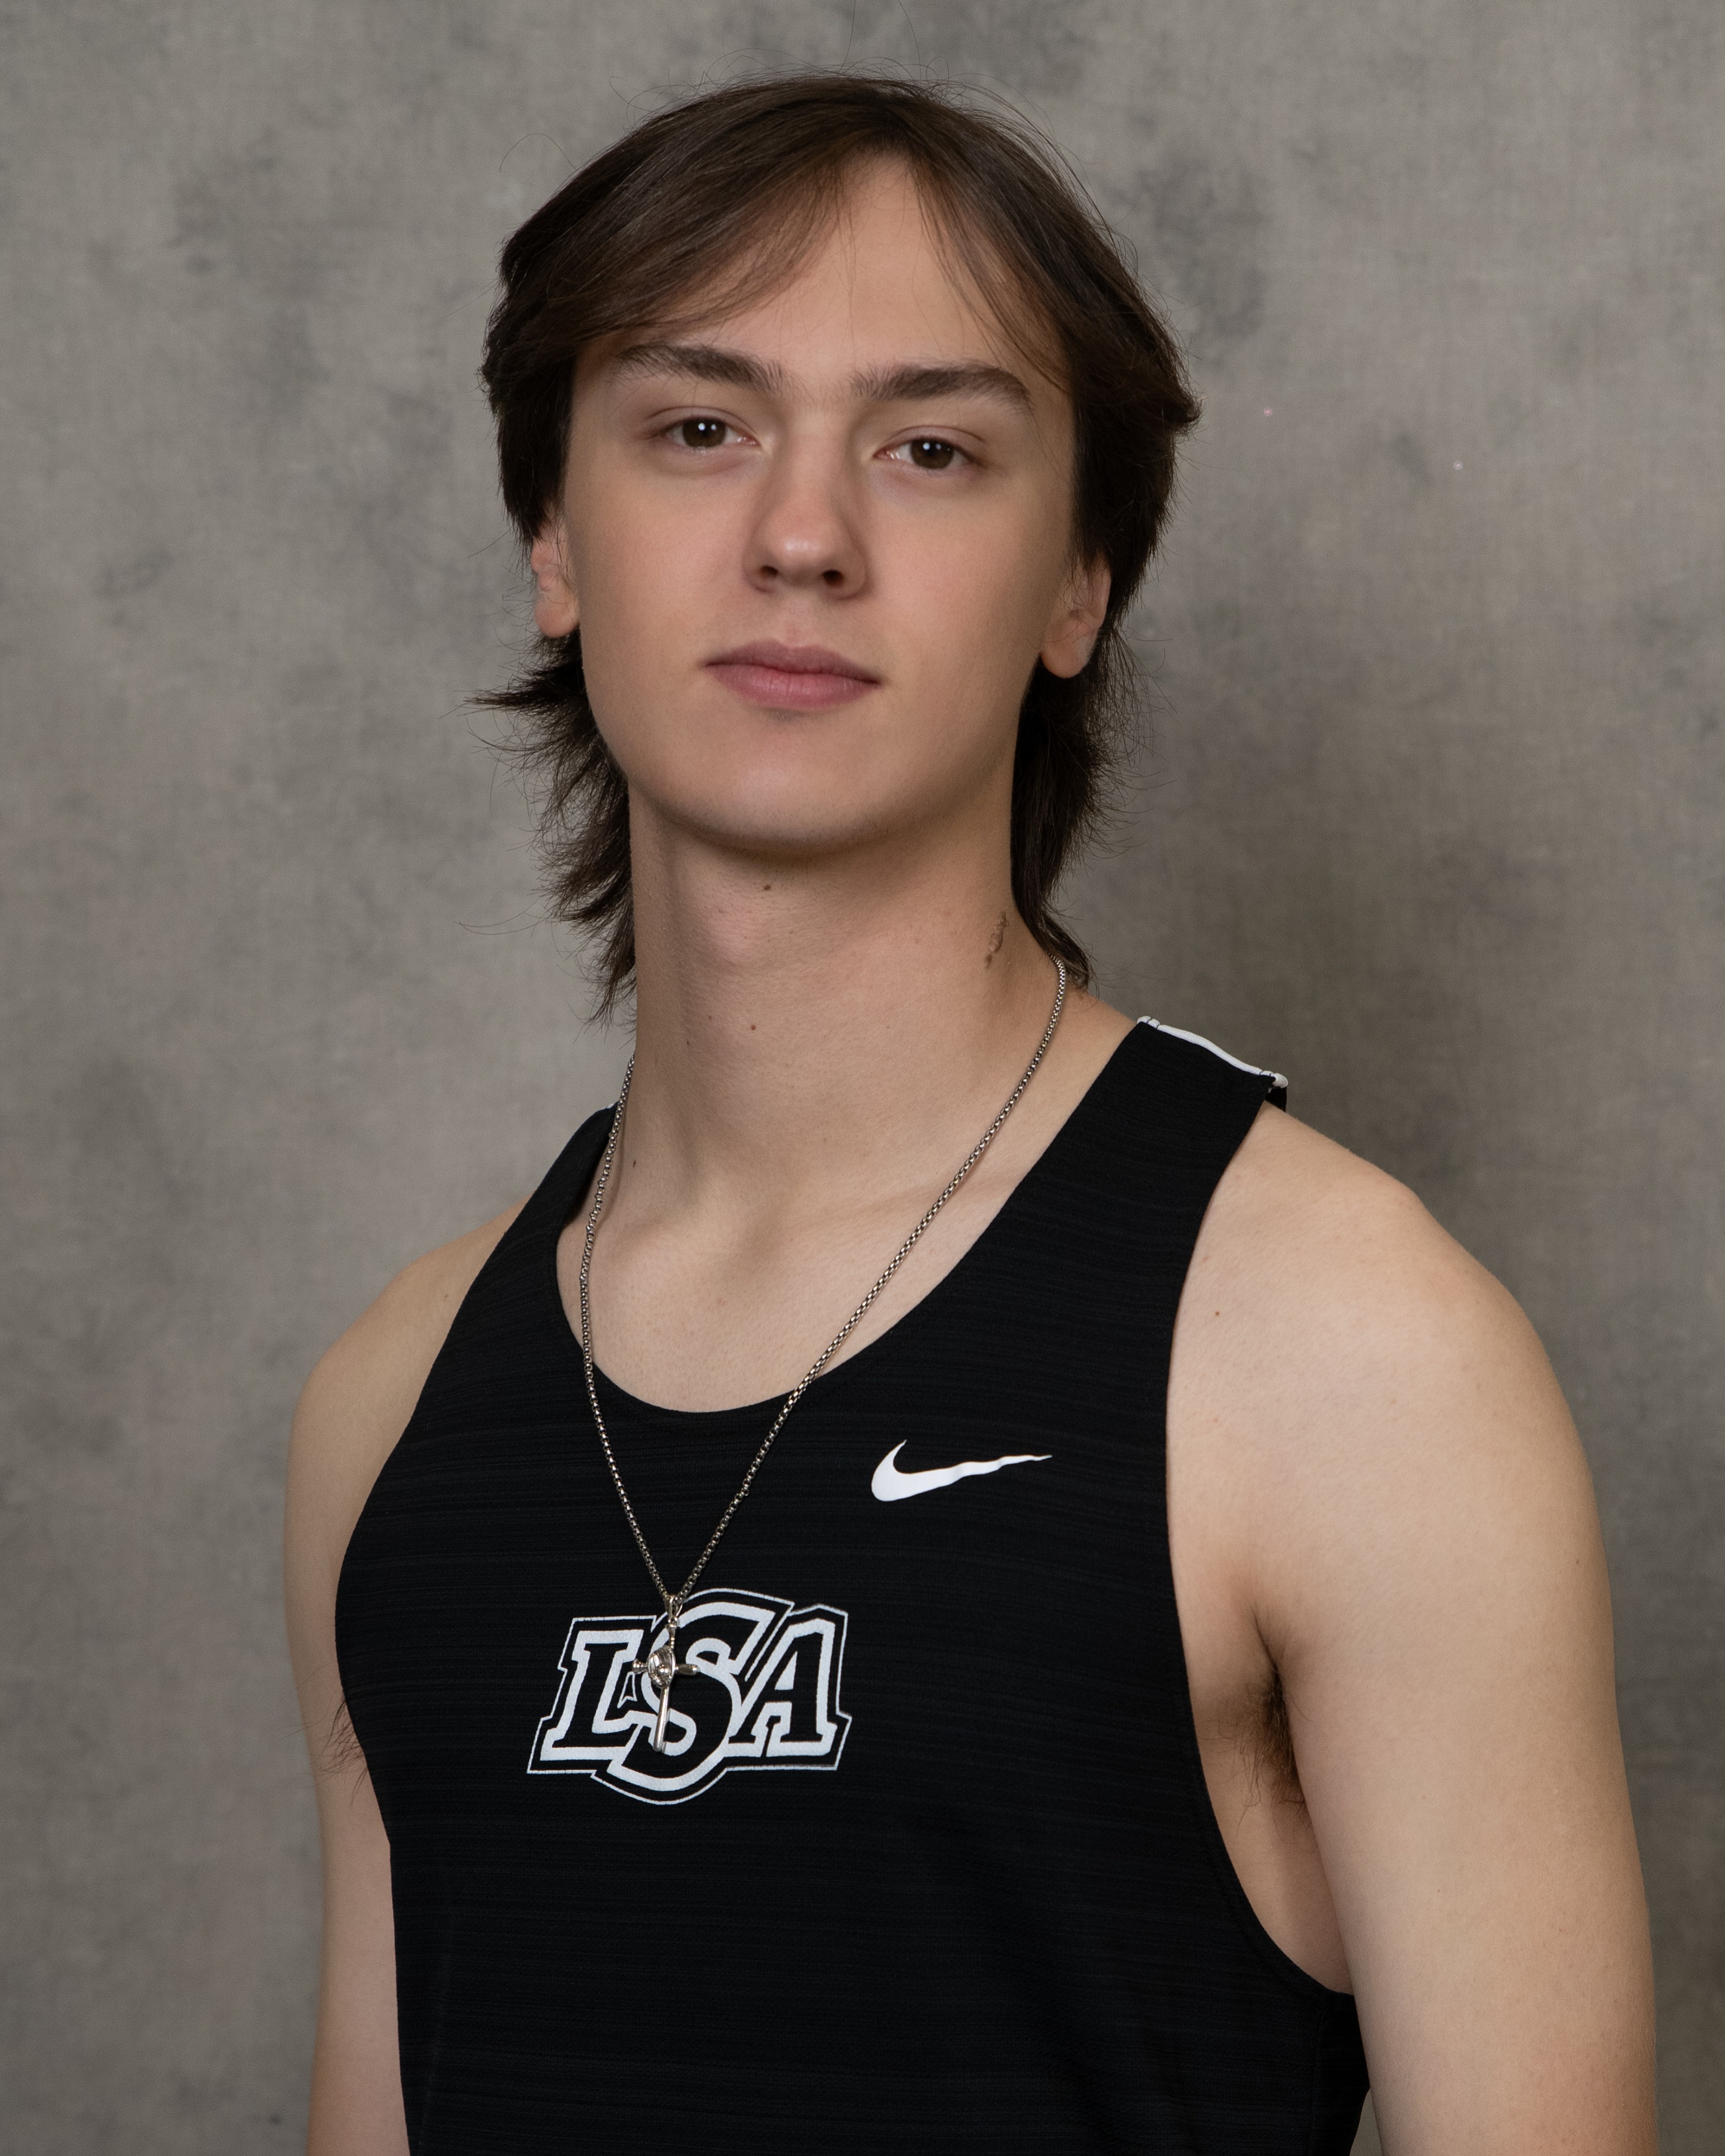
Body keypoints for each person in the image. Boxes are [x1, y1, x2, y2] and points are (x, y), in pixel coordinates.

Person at [284, 72, 1656, 2156]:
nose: (802, 534)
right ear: (553, 537)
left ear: (1076, 584)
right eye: (697, 427)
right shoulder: (389, 1408)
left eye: (929, 448)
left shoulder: (1340, 1348)